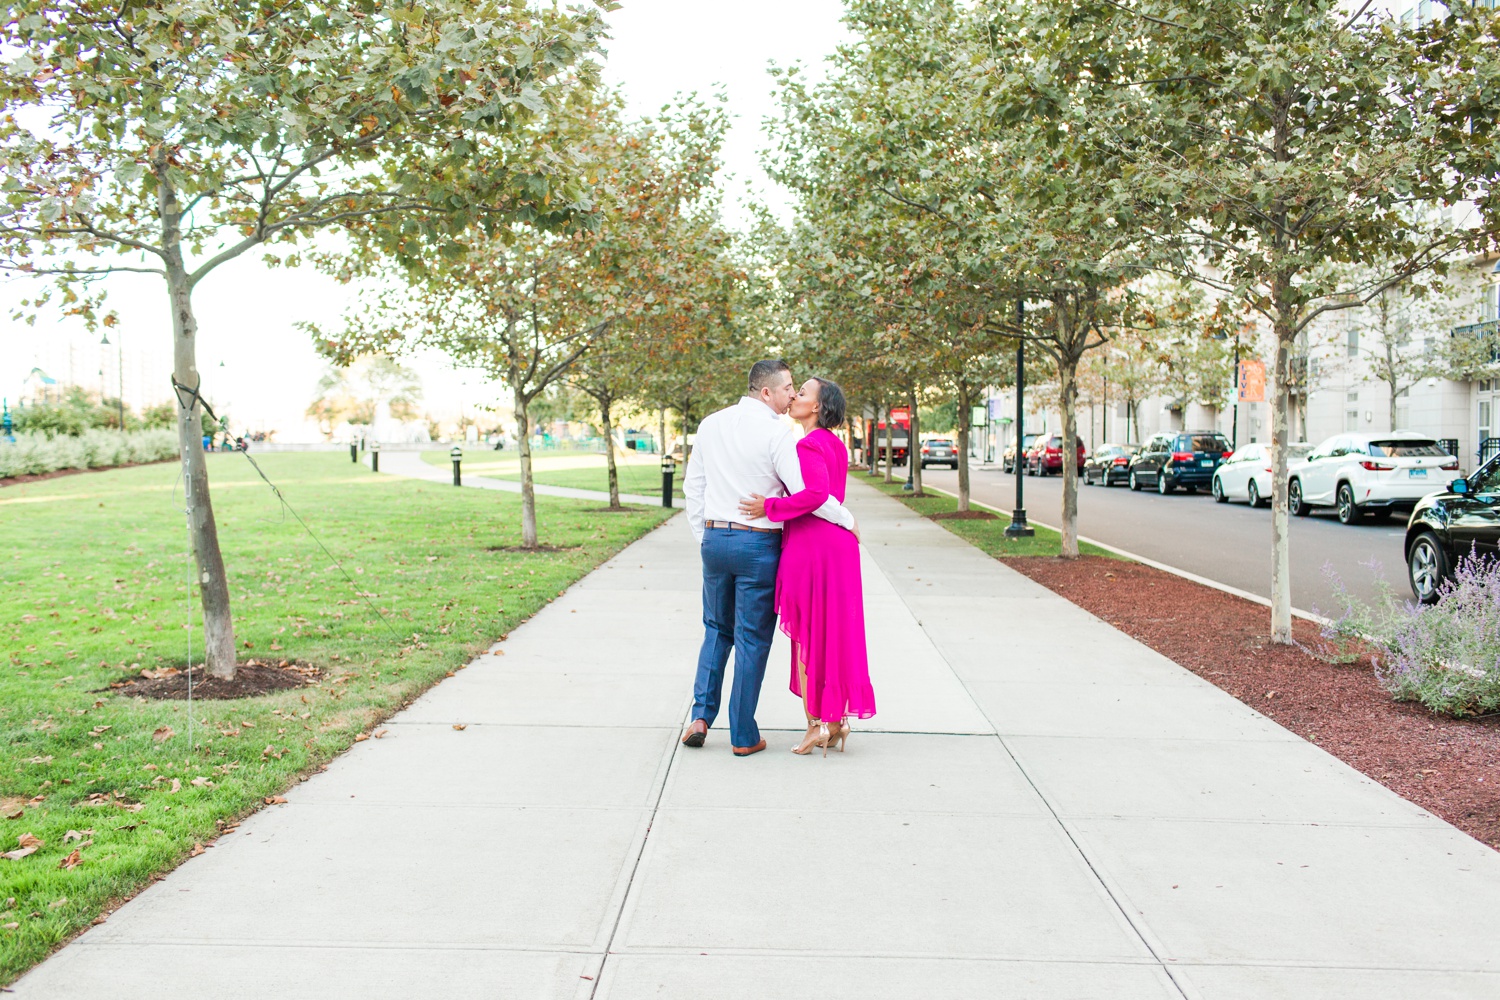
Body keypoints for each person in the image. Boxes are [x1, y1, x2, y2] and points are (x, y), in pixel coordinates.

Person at [682, 360, 859, 757]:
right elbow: (809, 494)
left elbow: (694, 487)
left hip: (715, 538)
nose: (791, 395)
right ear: (767, 393)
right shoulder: (778, 434)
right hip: (757, 545)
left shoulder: (710, 424)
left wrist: (705, 536)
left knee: (715, 628)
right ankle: (743, 735)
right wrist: (847, 519)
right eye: (788, 389)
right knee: (750, 638)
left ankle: (700, 717)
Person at [740, 378, 874, 755]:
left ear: (816, 407)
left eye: (803, 393)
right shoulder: (835, 445)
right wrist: (846, 520)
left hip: (814, 547)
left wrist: (769, 506)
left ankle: (816, 723)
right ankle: (835, 722)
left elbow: (816, 496)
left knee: (808, 637)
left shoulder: (808, 443)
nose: (795, 396)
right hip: (835, 547)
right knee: (832, 635)